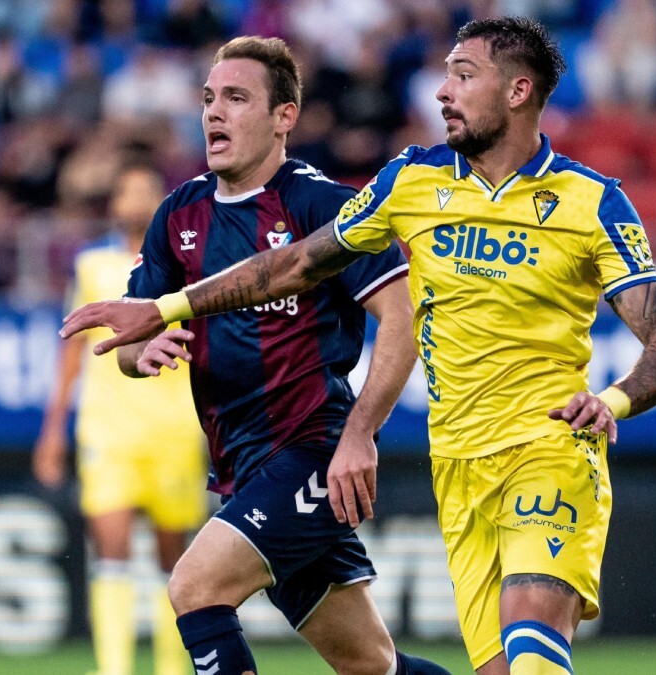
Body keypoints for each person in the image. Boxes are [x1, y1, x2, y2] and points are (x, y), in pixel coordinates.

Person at [62, 18, 656, 675]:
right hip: (455, 462)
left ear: (518, 91)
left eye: (463, 76)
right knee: (380, 664)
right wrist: (164, 310)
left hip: (547, 447)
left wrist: (611, 402)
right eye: (444, 74)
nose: (442, 92)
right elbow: (293, 267)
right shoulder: (411, 182)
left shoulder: (593, 201)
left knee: (531, 654)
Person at [73, 36, 449, 675]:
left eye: (237, 98)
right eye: (209, 98)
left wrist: (360, 434)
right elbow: (129, 345)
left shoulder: (323, 207)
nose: (214, 113)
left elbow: (403, 316)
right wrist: (141, 351)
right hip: (242, 468)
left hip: (312, 452)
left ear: (285, 117)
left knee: (194, 588)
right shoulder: (178, 215)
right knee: (370, 664)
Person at [33, 162, 209, 675]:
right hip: (109, 430)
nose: (135, 200)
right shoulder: (91, 267)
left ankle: (171, 668)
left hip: (175, 430)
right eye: (127, 190)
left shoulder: (187, 265)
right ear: (114, 204)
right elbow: (72, 353)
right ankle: (114, 669)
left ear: (161, 205)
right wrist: (52, 431)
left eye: (145, 192)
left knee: (171, 561)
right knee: (110, 550)